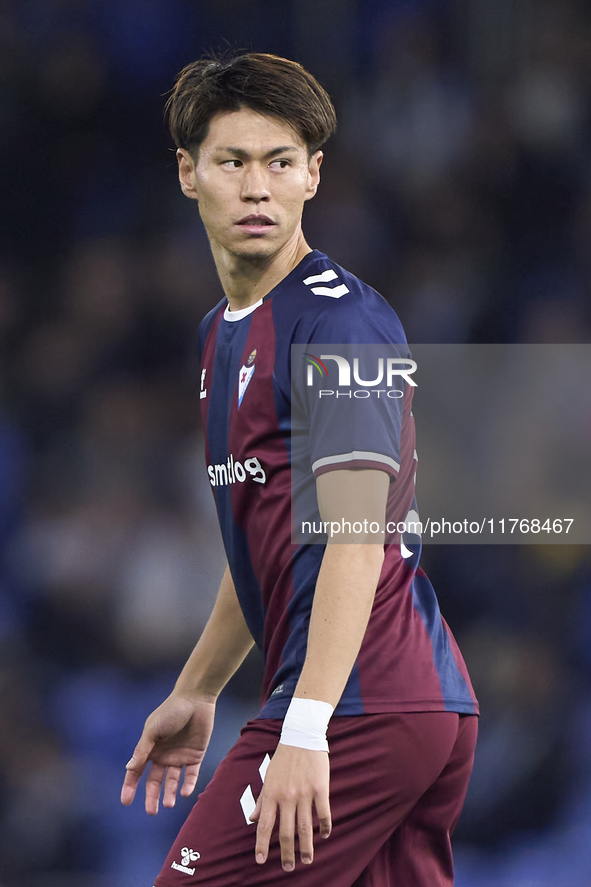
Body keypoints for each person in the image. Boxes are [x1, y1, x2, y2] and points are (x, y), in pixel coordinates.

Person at [121, 52, 479, 887]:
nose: (256, 188)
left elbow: (353, 540)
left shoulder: (341, 322)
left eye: (279, 163)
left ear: (313, 175)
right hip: (398, 704)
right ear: (188, 173)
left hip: (365, 702)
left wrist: (306, 727)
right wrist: (199, 688)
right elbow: (268, 544)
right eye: (232, 162)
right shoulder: (223, 330)